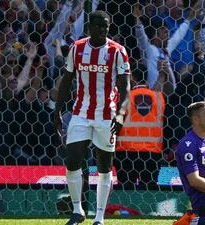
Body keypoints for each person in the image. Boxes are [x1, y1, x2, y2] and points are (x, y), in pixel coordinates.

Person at [53, 10, 130, 225]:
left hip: (107, 115)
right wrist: (57, 109)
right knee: (72, 160)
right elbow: (67, 80)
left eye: (105, 26)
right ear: (89, 28)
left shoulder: (118, 51)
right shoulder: (77, 48)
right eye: (98, 26)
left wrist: (122, 113)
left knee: (104, 167)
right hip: (81, 113)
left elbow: (125, 87)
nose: (102, 30)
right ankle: (78, 211)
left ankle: (99, 216)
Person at [115, 63, 172, 188]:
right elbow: (166, 124)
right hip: (152, 153)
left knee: (125, 190)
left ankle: (124, 209)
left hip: (126, 152)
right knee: (148, 189)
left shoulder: (125, 97)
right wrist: (162, 75)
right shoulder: (158, 97)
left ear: (132, 78)